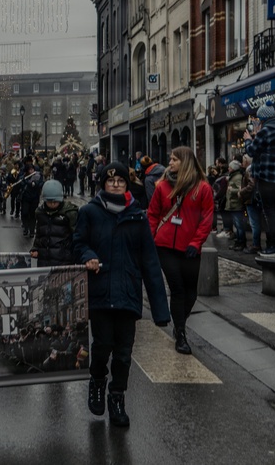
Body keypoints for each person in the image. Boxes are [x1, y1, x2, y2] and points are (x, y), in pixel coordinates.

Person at [72, 162, 171, 428]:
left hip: (128, 293)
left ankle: (117, 397)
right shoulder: (90, 212)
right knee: (103, 346)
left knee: (124, 353)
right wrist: (88, 256)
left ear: (127, 185)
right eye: (111, 181)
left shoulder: (137, 216)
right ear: (103, 183)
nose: (116, 185)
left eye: (121, 181)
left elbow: (150, 263)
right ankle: (97, 379)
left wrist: (161, 311)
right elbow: (78, 243)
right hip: (101, 292)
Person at [147, 146, 213, 356]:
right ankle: (181, 335)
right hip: (165, 246)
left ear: (185, 162)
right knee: (177, 290)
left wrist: (196, 242)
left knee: (191, 293)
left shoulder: (202, 188)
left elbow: (207, 218)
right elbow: (153, 214)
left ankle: (179, 323)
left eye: (175, 159)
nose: (170, 163)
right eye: (171, 159)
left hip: (190, 248)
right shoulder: (162, 186)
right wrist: (149, 241)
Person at [244, 105, 275, 259]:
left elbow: (251, 151)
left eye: (260, 118)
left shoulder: (265, 131)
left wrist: (248, 140)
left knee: (269, 211)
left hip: (267, 177)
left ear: (264, 118)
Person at [31, 180, 79, 266]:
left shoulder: (69, 213)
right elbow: (39, 233)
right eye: (49, 202)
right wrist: (35, 248)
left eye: (55, 202)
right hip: (44, 259)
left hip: (64, 260)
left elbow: (76, 235)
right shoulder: (40, 213)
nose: (52, 204)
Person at [241, 155, 263, 253]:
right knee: (256, 223)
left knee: (254, 223)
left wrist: (241, 192)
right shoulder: (256, 168)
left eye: (243, 160)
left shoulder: (250, 169)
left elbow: (251, 185)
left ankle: (256, 245)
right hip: (256, 199)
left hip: (252, 199)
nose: (242, 163)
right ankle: (256, 244)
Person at [224, 159, 247, 251]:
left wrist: (231, 190)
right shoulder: (233, 176)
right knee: (237, 225)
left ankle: (241, 242)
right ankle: (238, 242)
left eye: (230, 167)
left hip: (236, 204)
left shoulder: (237, 177)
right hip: (233, 204)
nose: (228, 168)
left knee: (239, 226)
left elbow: (240, 189)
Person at [19, 163, 44, 238]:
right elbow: (21, 184)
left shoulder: (38, 176)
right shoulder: (24, 176)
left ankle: (32, 231)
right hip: (26, 198)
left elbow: (40, 184)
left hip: (34, 198)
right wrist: (26, 181)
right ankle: (26, 228)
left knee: (33, 214)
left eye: (32, 169)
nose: (31, 171)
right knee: (25, 213)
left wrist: (35, 184)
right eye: (30, 170)